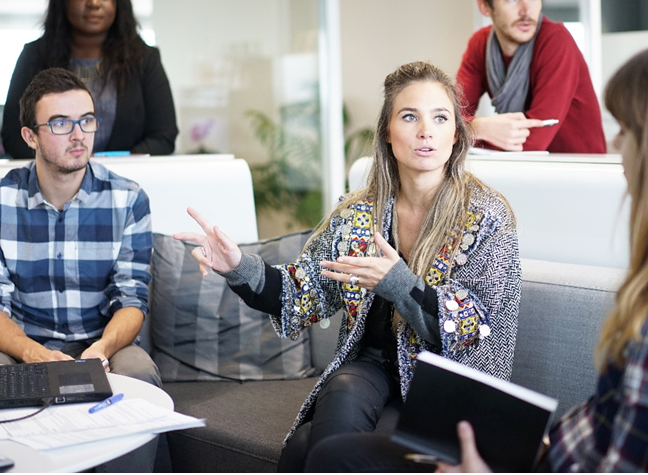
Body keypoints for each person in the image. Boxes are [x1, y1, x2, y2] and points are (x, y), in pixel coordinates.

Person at [303, 44, 648, 473]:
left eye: (629, 131)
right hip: (546, 454)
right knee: (325, 451)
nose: (617, 147)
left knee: (334, 459)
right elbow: (619, 425)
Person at [174, 61, 521, 472]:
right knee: (341, 388)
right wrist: (236, 266)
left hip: (448, 385)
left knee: (306, 447)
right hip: (372, 368)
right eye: (409, 116)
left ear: (456, 135)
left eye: (440, 117)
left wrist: (398, 284)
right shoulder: (358, 213)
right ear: (388, 134)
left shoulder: (486, 215)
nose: (426, 130)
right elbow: (299, 292)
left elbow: (474, 327)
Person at [0, 68, 160, 388]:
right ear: (30, 136)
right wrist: (33, 353)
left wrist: (101, 349)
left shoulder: (128, 199)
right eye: (60, 123)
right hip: (22, 344)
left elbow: (131, 299)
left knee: (139, 374)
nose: (78, 135)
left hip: (103, 342)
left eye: (86, 120)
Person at [0, 0, 178, 158]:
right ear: (63, 0)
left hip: (126, 182)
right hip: (54, 185)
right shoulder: (35, 57)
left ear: (118, 3)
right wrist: (68, 164)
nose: (94, 3)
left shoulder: (145, 59)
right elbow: (14, 137)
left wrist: (110, 167)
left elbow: (163, 136)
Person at [455, 0, 605, 153]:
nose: (527, 10)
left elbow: (533, 142)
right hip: (523, 171)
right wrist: (479, 127)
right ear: (485, 7)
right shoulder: (480, 44)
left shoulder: (556, 41)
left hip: (578, 173)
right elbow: (448, 119)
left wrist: (466, 131)